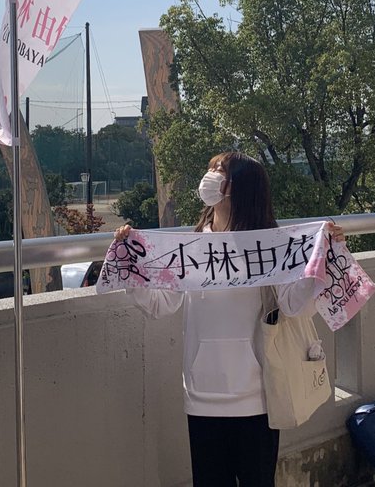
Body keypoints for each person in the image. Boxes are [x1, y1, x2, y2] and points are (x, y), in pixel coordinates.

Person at [115, 151, 344, 487]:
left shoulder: (271, 246)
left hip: (258, 397)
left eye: (220, 170)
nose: (210, 176)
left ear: (243, 186)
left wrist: (324, 258)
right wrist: (129, 268)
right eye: (210, 168)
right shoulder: (191, 247)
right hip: (202, 396)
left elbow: (294, 305)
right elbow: (161, 305)